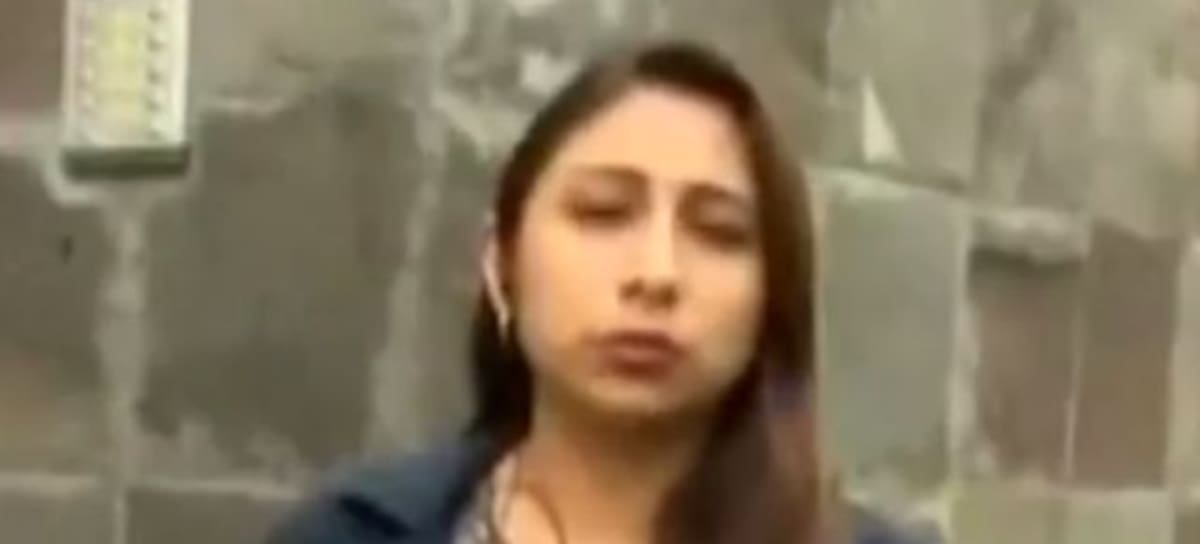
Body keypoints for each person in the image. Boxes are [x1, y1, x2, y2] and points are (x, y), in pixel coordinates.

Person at [268, 41, 917, 544]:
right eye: (603, 213)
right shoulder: (351, 534)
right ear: (501, 264)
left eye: (718, 232)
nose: (657, 274)